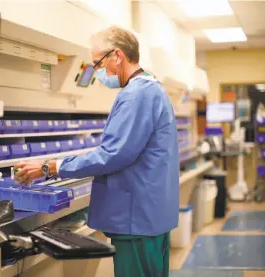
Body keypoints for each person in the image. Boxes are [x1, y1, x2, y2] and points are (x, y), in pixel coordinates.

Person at [14, 26, 179, 277]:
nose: (97, 72)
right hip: (150, 216)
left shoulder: (137, 95)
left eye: (97, 63)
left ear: (117, 56)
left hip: (136, 221)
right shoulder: (151, 89)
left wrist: (50, 167)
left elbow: (112, 155)